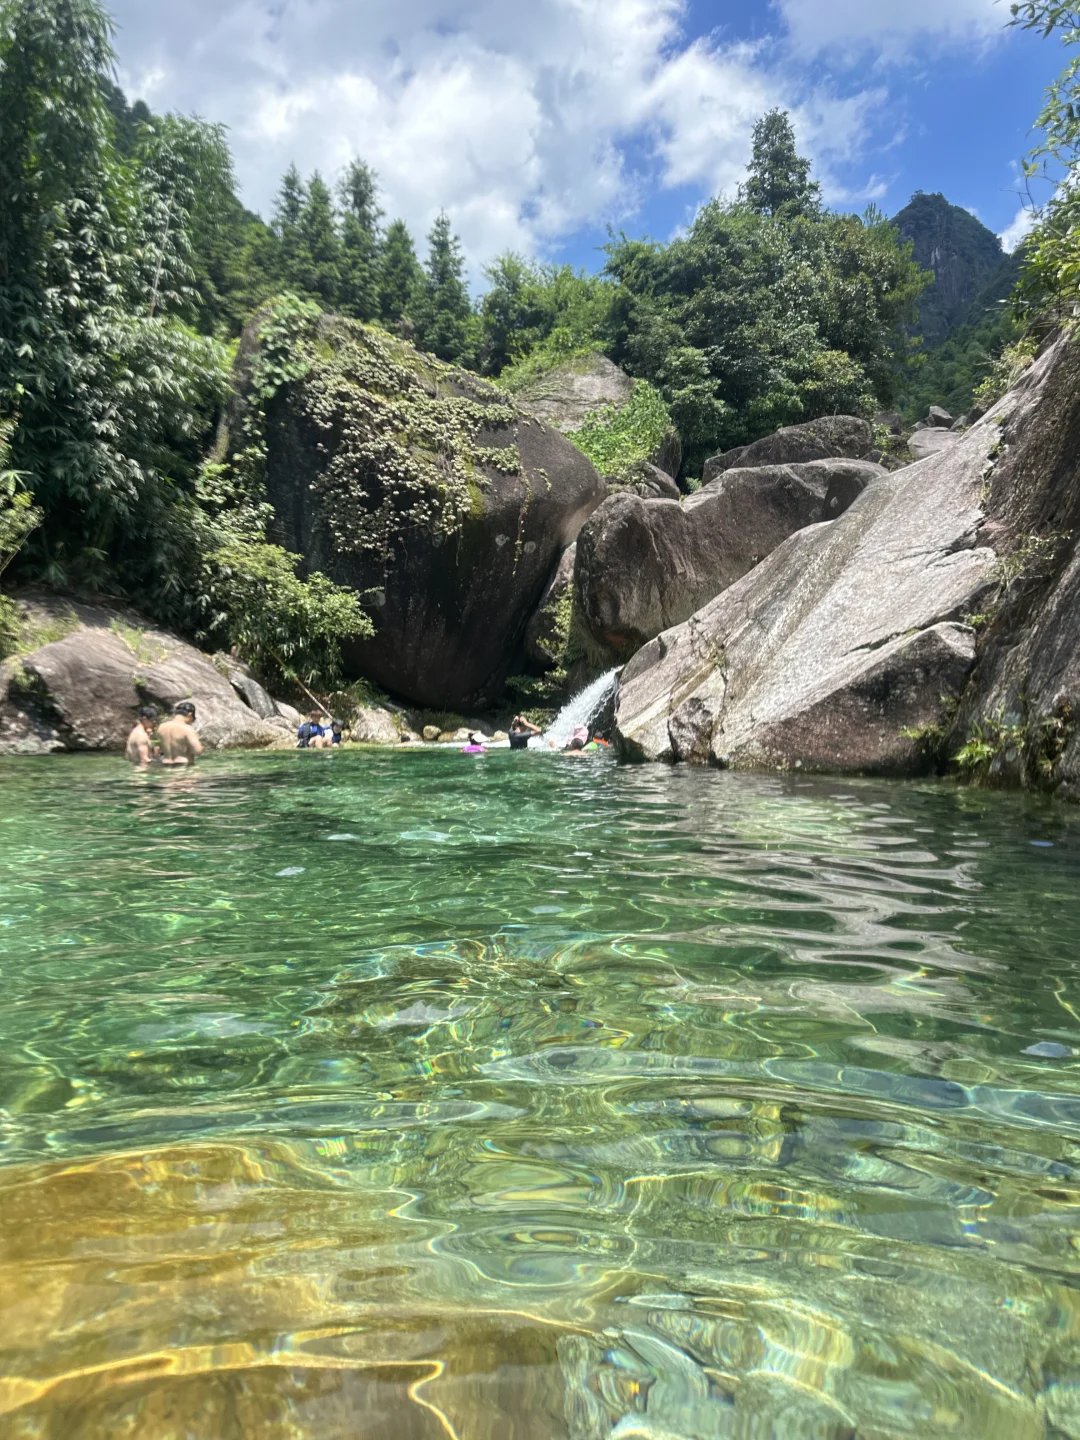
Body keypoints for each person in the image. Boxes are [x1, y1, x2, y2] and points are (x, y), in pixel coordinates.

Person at [158, 701, 203, 765]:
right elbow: (198, 751)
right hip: (183, 767)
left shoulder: (161, 727)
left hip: (166, 765)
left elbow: (161, 750)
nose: (191, 722)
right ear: (189, 714)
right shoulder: (187, 729)